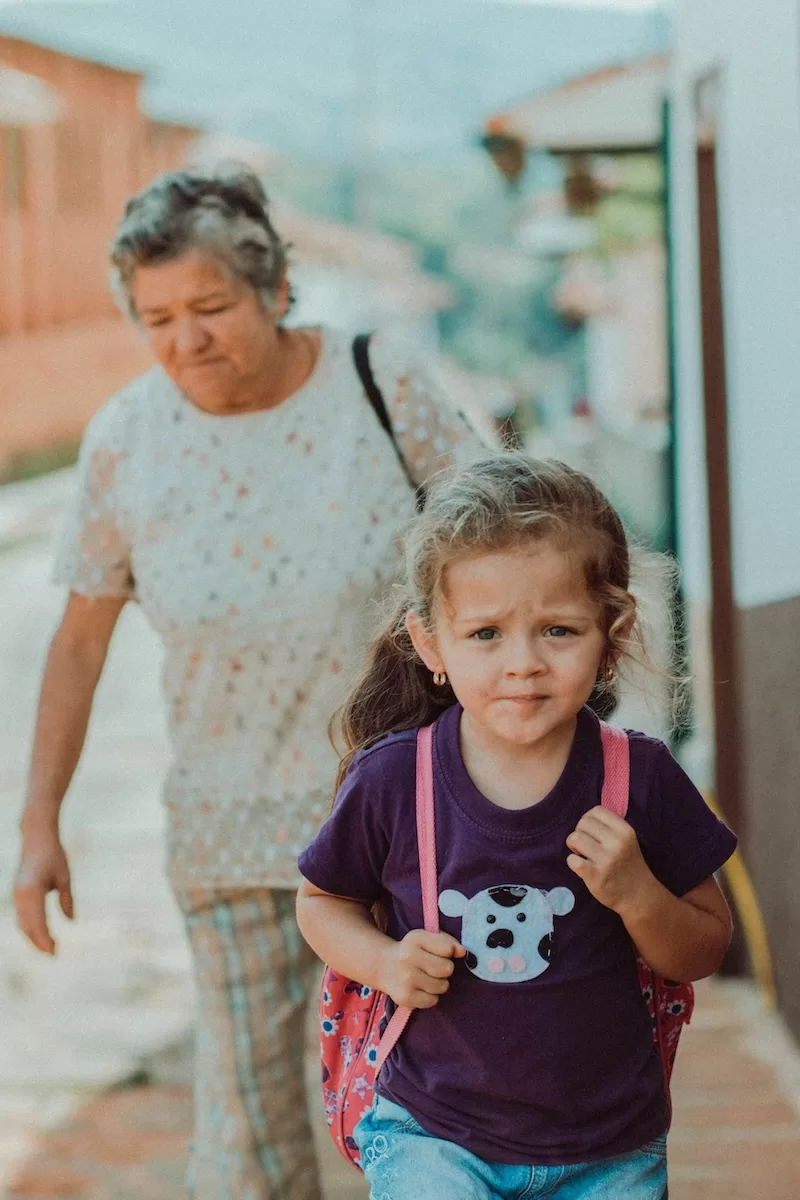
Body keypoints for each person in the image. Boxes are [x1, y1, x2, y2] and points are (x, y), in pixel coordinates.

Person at [13, 165, 485, 1200]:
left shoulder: (379, 384)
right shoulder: (125, 442)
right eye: (158, 318)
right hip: (225, 836)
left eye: (211, 307)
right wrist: (38, 821)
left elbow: (497, 552)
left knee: (434, 1119)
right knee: (247, 1150)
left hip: (405, 828)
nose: (187, 339)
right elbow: (79, 643)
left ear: (274, 290)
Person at [296, 454, 737, 1200]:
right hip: (434, 1136)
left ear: (614, 630)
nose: (523, 664)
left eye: (558, 630)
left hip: (612, 1150)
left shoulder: (642, 779)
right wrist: (384, 962)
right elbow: (321, 902)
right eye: (487, 634)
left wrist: (637, 895)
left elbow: (703, 947)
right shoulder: (395, 781)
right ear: (431, 643)